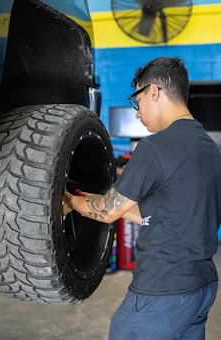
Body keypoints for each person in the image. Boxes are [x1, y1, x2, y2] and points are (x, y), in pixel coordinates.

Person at [63, 57, 221, 339]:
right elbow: (165, 213)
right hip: (202, 287)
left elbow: (108, 213)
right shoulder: (209, 148)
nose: (137, 113)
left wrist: (70, 201)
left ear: (154, 92)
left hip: (162, 290)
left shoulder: (154, 147)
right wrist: (96, 199)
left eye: (137, 101)